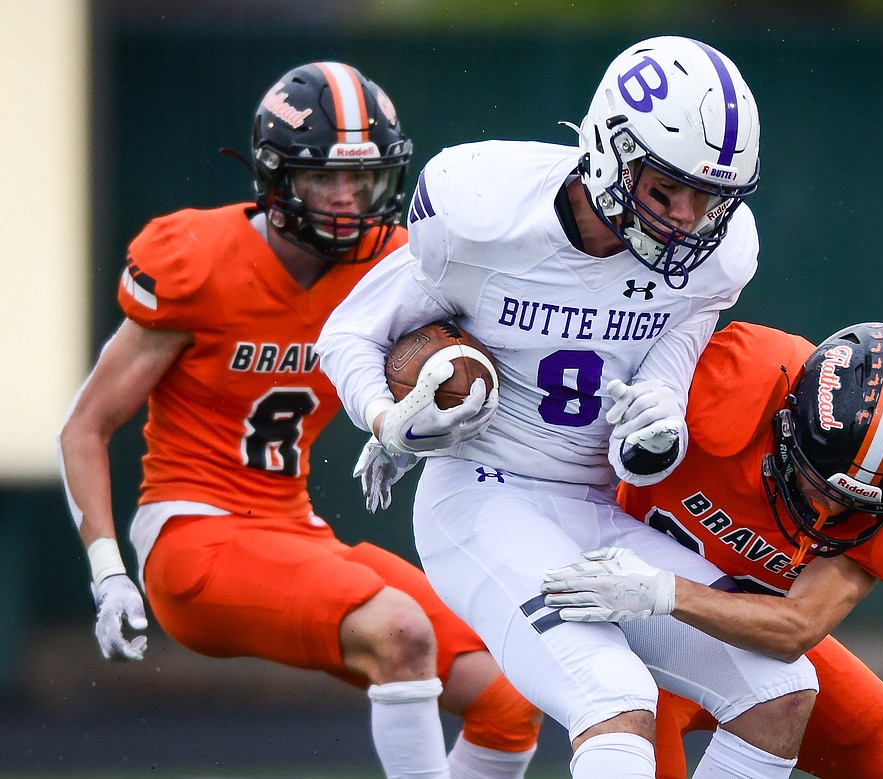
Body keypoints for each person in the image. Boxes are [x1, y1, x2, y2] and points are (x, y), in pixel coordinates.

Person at [318, 36, 821, 779]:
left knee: (782, 691)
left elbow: (650, 406)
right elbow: (351, 331)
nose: (688, 219)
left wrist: (658, 422)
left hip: (593, 505)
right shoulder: (482, 219)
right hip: (483, 498)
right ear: (609, 153)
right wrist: (385, 417)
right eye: (665, 191)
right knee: (613, 696)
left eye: (709, 198)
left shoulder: (715, 258)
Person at [57, 61, 542, 779]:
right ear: (276, 176)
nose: (347, 199)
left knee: (510, 693)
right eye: (324, 177)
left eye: (365, 178)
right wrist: (108, 573)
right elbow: (85, 426)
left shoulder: (390, 267)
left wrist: (407, 423)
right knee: (401, 631)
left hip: (296, 530)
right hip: (194, 538)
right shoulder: (198, 260)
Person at [541, 320, 883, 778]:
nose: (829, 507)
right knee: (636, 732)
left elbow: (796, 629)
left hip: (742, 633)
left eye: (856, 505)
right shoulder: (729, 380)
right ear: (787, 423)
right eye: (819, 482)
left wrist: (666, 591)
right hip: (638, 626)